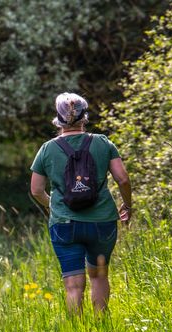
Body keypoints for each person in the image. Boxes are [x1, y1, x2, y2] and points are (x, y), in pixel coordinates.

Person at [30, 92, 132, 314]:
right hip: (102, 221)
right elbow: (122, 178)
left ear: (58, 119)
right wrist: (128, 205)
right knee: (99, 275)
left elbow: (36, 190)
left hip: (64, 223)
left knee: (73, 285)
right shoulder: (103, 143)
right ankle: (101, 326)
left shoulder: (47, 149)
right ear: (85, 116)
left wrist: (52, 205)